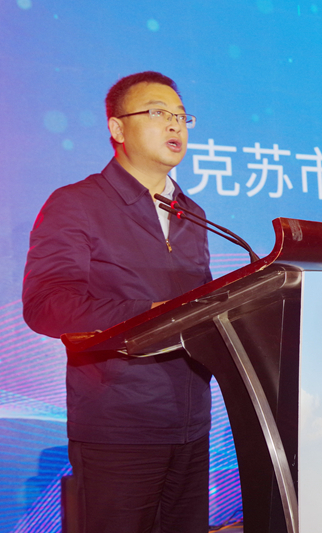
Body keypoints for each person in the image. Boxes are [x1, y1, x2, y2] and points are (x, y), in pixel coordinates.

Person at [22, 72, 212, 533]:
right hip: (119, 427)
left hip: (192, 424)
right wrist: (150, 315)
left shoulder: (193, 213)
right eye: (158, 113)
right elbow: (46, 304)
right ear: (117, 128)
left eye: (181, 116)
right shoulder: (77, 204)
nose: (175, 125)